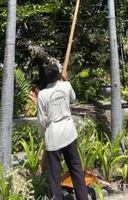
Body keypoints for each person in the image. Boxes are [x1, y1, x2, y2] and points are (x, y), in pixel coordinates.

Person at [37, 64, 89, 200]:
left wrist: (44, 136)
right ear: (58, 74)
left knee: (54, 176)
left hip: (53, 138)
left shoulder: (42, 94)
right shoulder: (66, 86)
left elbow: (42, 120)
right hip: (69, 134)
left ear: (46, 78)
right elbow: (73, 98)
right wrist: (65, 81)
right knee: (76, 169)